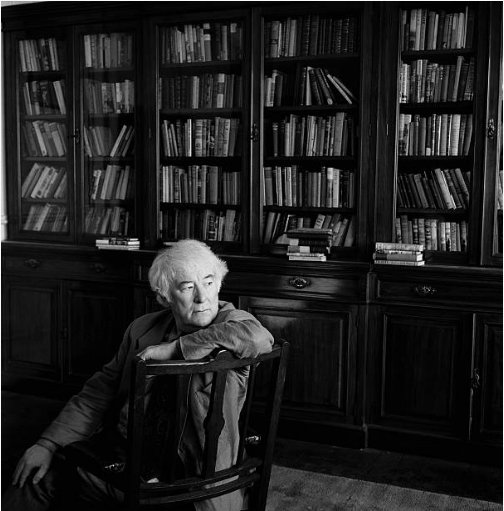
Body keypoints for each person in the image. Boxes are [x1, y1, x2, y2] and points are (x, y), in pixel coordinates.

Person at [4, 239, 274, 511]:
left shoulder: (233, 323)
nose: (202, 297)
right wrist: (48, 444)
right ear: (164, 296)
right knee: (34, 479)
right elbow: (100, 392)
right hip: (130, 458)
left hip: (193, 477)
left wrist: (175, 349)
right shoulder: (143, 328)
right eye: (187, 287)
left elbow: (260, 339)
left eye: (209, 282)